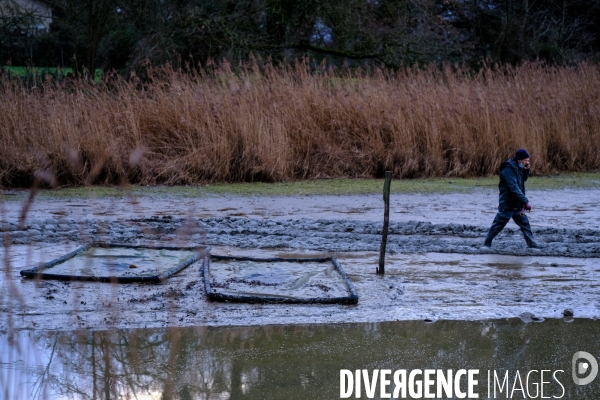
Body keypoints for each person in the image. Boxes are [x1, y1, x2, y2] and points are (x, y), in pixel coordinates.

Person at [484, 148, 543, 248]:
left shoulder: (518, 167)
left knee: (525, 224)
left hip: (517, 206)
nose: (527, 162)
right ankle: (486, 244)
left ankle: (532, 244)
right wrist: (525, 200)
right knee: (497, 226)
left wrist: (526, 170)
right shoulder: (508, 169)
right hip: (507, 205)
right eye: (526, 160)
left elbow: (522, 181)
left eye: (528, 160)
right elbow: (513, 187)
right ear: (519, 160)